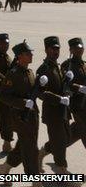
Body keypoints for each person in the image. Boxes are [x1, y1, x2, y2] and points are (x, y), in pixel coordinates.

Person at [0, 42, 42, 186]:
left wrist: (41, 86)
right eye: (28, 53)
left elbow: (32, 93)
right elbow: (3, 96)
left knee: (24, 144)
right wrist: (22, 103)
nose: (31, 55)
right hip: (21, 118)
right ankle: (35, 180)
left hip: (32, 116)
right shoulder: (13, 74)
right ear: (20, 56)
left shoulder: (30, 72)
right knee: (31, 148)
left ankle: (4, 168)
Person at [36, 36, 72, 174]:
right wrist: (59, 99)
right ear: (46, 50)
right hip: (52, 113)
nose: (56, 51)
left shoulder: (58, 66)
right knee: (60, 141)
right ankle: (61, 169)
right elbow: (40, 93)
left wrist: (68, 90)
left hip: (63, 111)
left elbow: (64, 87)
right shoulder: (43, 69)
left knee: (65, 138)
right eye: (53, 49)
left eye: (57, 49)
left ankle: (41, 153)